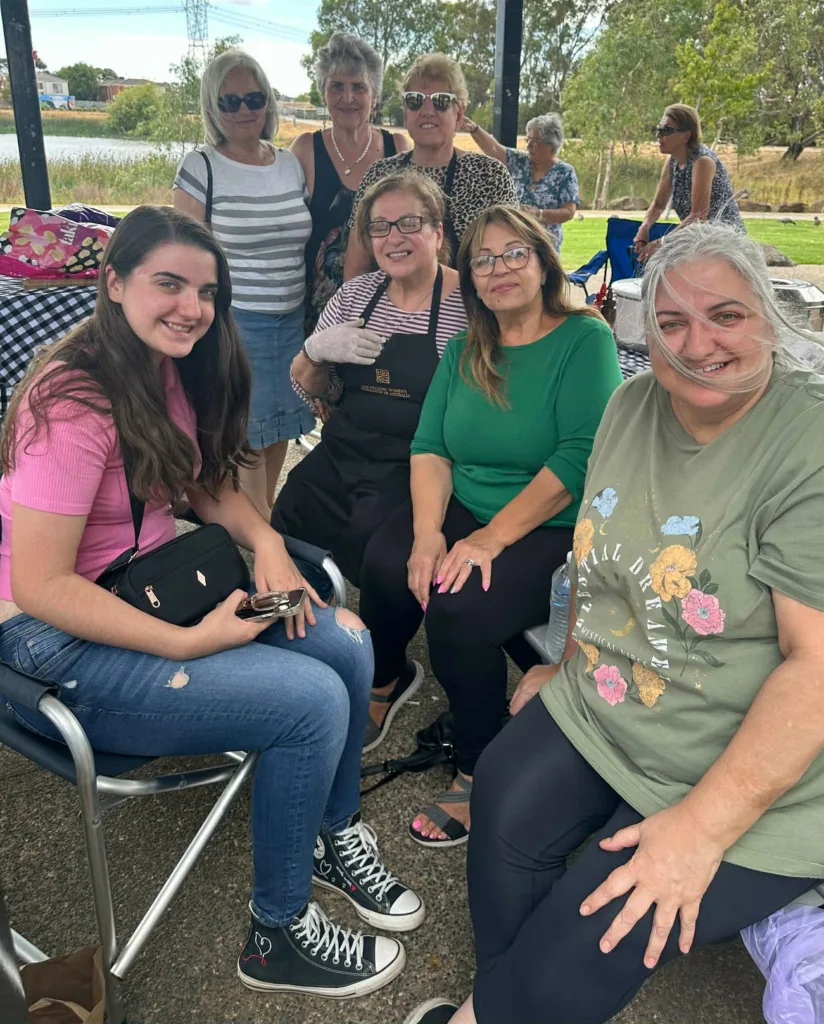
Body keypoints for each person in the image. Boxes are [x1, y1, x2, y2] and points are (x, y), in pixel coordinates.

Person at [0, 206, 424, 1000]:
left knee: (348, 645)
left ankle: (330, 834)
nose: (192, 307)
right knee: (309, 702)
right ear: (114, 282)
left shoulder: (166, 368)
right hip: (55, 640)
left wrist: (266, 541)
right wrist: (188, 644)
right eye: (169, 283)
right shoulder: (72, 402)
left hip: (153, 588)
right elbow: (41, 585)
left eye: (207, 291)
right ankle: (277, 936)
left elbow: (200, 484)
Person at [408, 222, 824, 1024]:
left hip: (746, 765)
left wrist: (698, 831)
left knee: (602, 920)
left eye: (727, 316)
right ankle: (511, 1000)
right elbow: (596, 561)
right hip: (609, 702)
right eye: (671, 323)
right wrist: (564, 663)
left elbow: (816, 670)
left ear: (770, 320)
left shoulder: (808, 441)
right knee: (502, 794)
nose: (697, 344)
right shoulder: (631, 406)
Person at [356, 205, 623, 842]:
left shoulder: (584, 340)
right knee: (386, 562)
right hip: (470, 503)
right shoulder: (464, 347)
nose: (499, 269)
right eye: (483, 259)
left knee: (459, 611)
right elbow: (430, 448)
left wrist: (487, 539)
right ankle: (387, 679)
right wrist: (429, 535)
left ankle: (479, 766)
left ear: (543, 263)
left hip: (551, 520)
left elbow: (579, 457)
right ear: (470, 278)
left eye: (514, 254)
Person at [273, 174, 467, 751]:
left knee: (387, 563)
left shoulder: (468, 303)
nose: (394, 237)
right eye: (380, 227)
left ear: (437, 232)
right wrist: (313, 352)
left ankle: (387, 675)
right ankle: (307, 644)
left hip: (421, 463)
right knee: (286, 525)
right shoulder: (356, 298)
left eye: (410, 223)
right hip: (345, 448)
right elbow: (307, 386)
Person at [172, 48, 313, 518]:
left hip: (291, 318)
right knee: (247, 433)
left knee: (279, 426)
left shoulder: (289, 164)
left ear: (268, 101)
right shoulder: (202, 165)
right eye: (228, 101)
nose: (243, 110)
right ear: (212, 107)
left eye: (253, 98)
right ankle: (260, 530)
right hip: (238, 320)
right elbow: (184, 252)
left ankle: (261, 514)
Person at [343, 53, 517, 280]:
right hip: (391, 302)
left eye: (440, 101)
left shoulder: (490, 176)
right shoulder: (379, 175)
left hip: (471, 301)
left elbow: (511, 259)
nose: (427, 110)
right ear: (405, 113)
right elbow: (357, 265)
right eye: (415, 101)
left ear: (459, 114)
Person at [291, 32, 409, 333]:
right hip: (317, 313)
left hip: (388, 307)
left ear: (375, 96)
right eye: (337, 86)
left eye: (358, 87)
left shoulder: (398, 148)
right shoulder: (305, 149)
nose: (347, 98)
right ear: (323, 93)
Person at [634, 103, 745, 262]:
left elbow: (698, 216)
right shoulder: (672, 162)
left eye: (666, 130)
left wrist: (661, 243)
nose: (658, 135)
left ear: (686, 136)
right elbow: (658, 204)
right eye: (658, 129)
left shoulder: (703, 161)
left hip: (725, 244)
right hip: (700, 240)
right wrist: (644, 228)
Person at [463, 113, 579, 252]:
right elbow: (494, 148)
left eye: (535, 142)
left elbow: (568, 212)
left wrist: (540, 214)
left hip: (545, 247)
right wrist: (474, 129)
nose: (528, 146)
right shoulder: (520, 161)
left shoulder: (564, 172)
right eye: (528, 140)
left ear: (551, 145)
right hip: (512, 242)